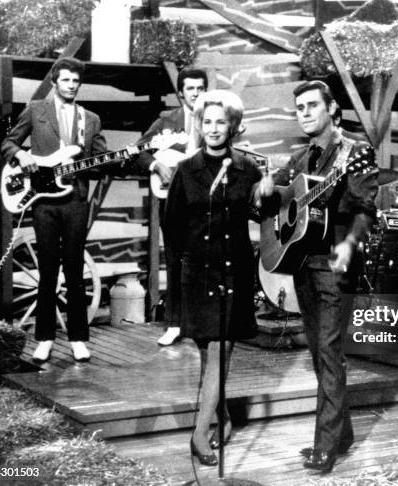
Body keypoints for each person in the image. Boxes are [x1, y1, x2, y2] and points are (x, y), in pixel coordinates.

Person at [257, 80, 378, 473]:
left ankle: (324, 447)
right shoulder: (298, 158)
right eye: (299, 108)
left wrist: (351, 243)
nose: (304, 113)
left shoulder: (355, 153)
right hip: (302, 265)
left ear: (332, 110)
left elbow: (364, 209)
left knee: (328, 353)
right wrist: (266, 190)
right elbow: (277, 202)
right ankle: (341, 435)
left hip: (335, 265)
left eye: (312, 106)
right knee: (318, 353)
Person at [163, 90, 268, 466]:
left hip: (235, 274)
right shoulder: (186, 171)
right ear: (199, 125)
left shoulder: (249, 170)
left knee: (220, 355)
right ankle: (209, 426)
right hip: (199, 275)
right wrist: (182, 276)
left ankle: (208, 427)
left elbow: (265, 216)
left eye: (221, 121)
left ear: (234, 126)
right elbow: (171, 227)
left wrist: (268, 195)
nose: (213, 128)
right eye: (207, 121)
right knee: (213, 356)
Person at [1, 57, 107, 363]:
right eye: (66, 80)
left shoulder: (91, 119)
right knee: (47, 271)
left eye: (76, 81)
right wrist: (21, 156)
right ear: (55, 81)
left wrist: (112, 161)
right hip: (44, 201)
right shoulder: (37, 110)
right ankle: (45, 338)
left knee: (74, 271)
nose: (71, 85)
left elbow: (100, 161)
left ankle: (77, 339)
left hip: (75, 200)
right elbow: (8, 143)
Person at [135, 68, 208, 346]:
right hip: (174, 203)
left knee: (203, 262)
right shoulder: (167, 121)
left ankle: (200, 323)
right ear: (181, 93)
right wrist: (157, 165)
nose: (195, 94)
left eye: (200, 88)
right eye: (190, 89)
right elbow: (138, 150)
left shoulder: (213, 121)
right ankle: (175, 324)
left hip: (204, 205)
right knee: (176, 262)